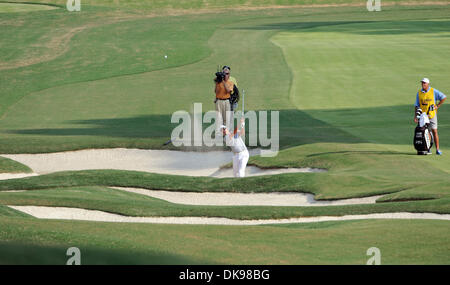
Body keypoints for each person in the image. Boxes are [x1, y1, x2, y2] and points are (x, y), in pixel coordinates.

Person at [414, 78, 446, 155]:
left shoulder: (433, 91)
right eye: (422, 83)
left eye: (424, 83)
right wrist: (416, 116)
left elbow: (443, 97)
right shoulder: (419, 93)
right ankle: (428, 148)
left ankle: (437, 149)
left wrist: (437, 106)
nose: (423, 84)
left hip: (432, 115)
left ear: (428, 84)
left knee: (434, 131)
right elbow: (416, 105)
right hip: (423, 116)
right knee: (426, 132)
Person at [214, 66, 234, 135]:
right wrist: (218, 82)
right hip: (219, 101)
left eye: (227, 74)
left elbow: (228, 90)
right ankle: (218, 133)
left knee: (227, 118)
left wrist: (223, 81)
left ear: (229, 75)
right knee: (219, 118)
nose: (226, 75)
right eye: (225, 73)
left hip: (227, 101)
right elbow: (216, 91)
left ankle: (227, 133)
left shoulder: (230, 83)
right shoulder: (219, 82)